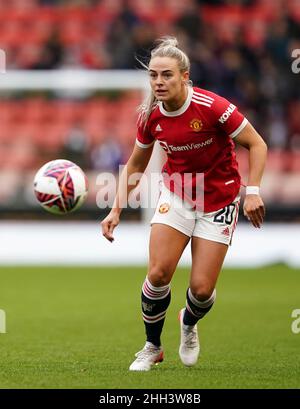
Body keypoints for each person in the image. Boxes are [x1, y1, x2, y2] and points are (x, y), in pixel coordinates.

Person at [101, 36, 267, 371]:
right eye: (153, 76)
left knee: (202, 290)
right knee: (159, 272)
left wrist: (253, 191)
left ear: (184, 77)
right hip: (176, 194)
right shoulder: (149, 117)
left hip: (219, 199)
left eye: (166, 75)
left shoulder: (212, 107)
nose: (159, 82)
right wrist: (116, 208)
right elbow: (135, 164)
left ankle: (188, 323)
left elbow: (257, 143)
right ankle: (152, 346)